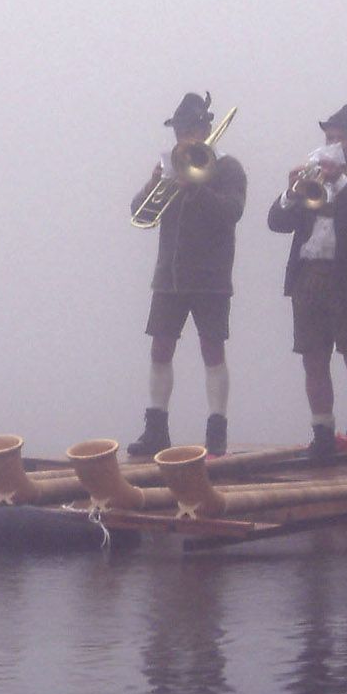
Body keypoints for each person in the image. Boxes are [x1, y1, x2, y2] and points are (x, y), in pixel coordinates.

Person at [266, 103, 347, 462]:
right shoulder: (312, 173)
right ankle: (322, 436)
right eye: (329, 137)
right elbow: (276, 222)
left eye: (340, 138)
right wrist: (291, 193)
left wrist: (340, 181)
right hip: (309, 275)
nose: (333, 143)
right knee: (313, 359)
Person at [129, 92, 247, 457]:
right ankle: (156, 429)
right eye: (181, 130)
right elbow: (141, 214)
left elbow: (231, 213)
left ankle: (216, 429)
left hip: (211, 276)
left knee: (212, 349)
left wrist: (197, 186)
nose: (186, 136)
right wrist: (154, 185)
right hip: (170, 275)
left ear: (208, 129)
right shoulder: (173, 165)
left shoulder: (228, 168)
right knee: (160, 347)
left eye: (192, 129)